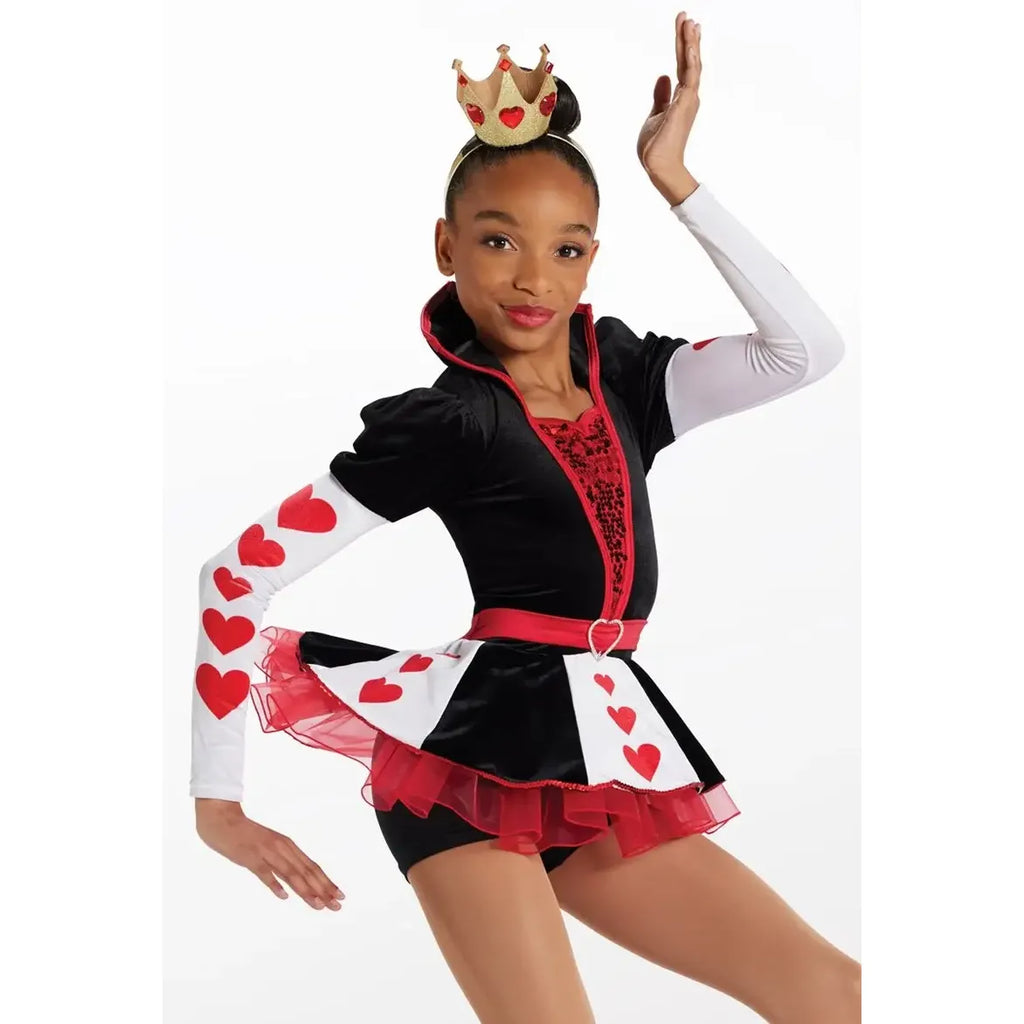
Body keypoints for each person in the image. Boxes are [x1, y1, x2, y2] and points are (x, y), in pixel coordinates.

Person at [191, 14, 859, 1023]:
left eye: (566, 247)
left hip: (598, 756)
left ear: (592, 260)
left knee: (837, 994)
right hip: (460, 765)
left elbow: (805, 350)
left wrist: (677, 182)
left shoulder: (630, 380)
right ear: (446, 246)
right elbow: (237, 573)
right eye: (498, 240)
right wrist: (218, 805)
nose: (533, 278)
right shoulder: (450, 422)